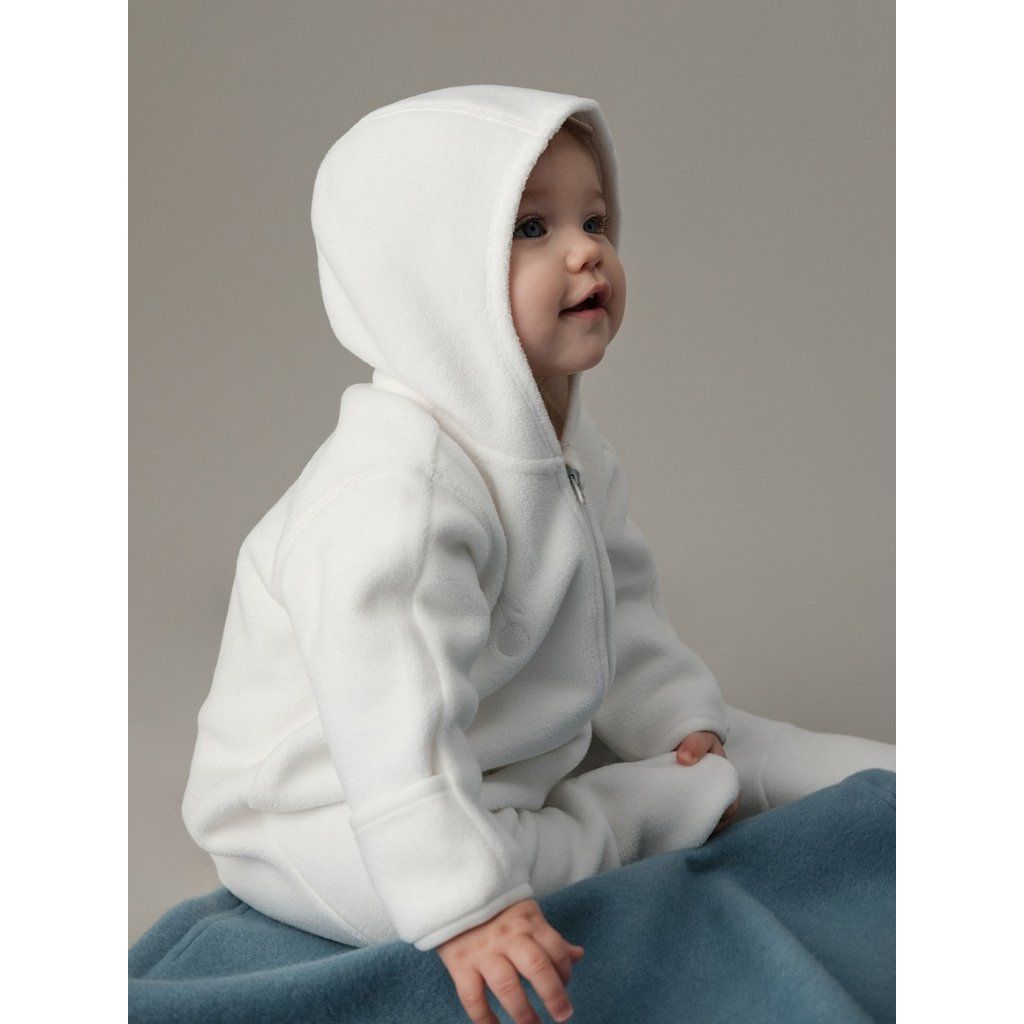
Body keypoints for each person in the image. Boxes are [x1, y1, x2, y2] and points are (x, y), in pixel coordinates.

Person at [181, 84, 895, 1024]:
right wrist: (468, 907)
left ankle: (732, 769)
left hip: (490, 750)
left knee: (721, 730)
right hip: (331, 813)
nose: (586, 250)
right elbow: (390, 727)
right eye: (530, 228)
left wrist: (672, 713)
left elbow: (617, 598)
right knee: (497, 874)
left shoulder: (563, 442)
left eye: (593, 221)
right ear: (430, 278)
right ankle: (651, 809)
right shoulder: (394, 494)